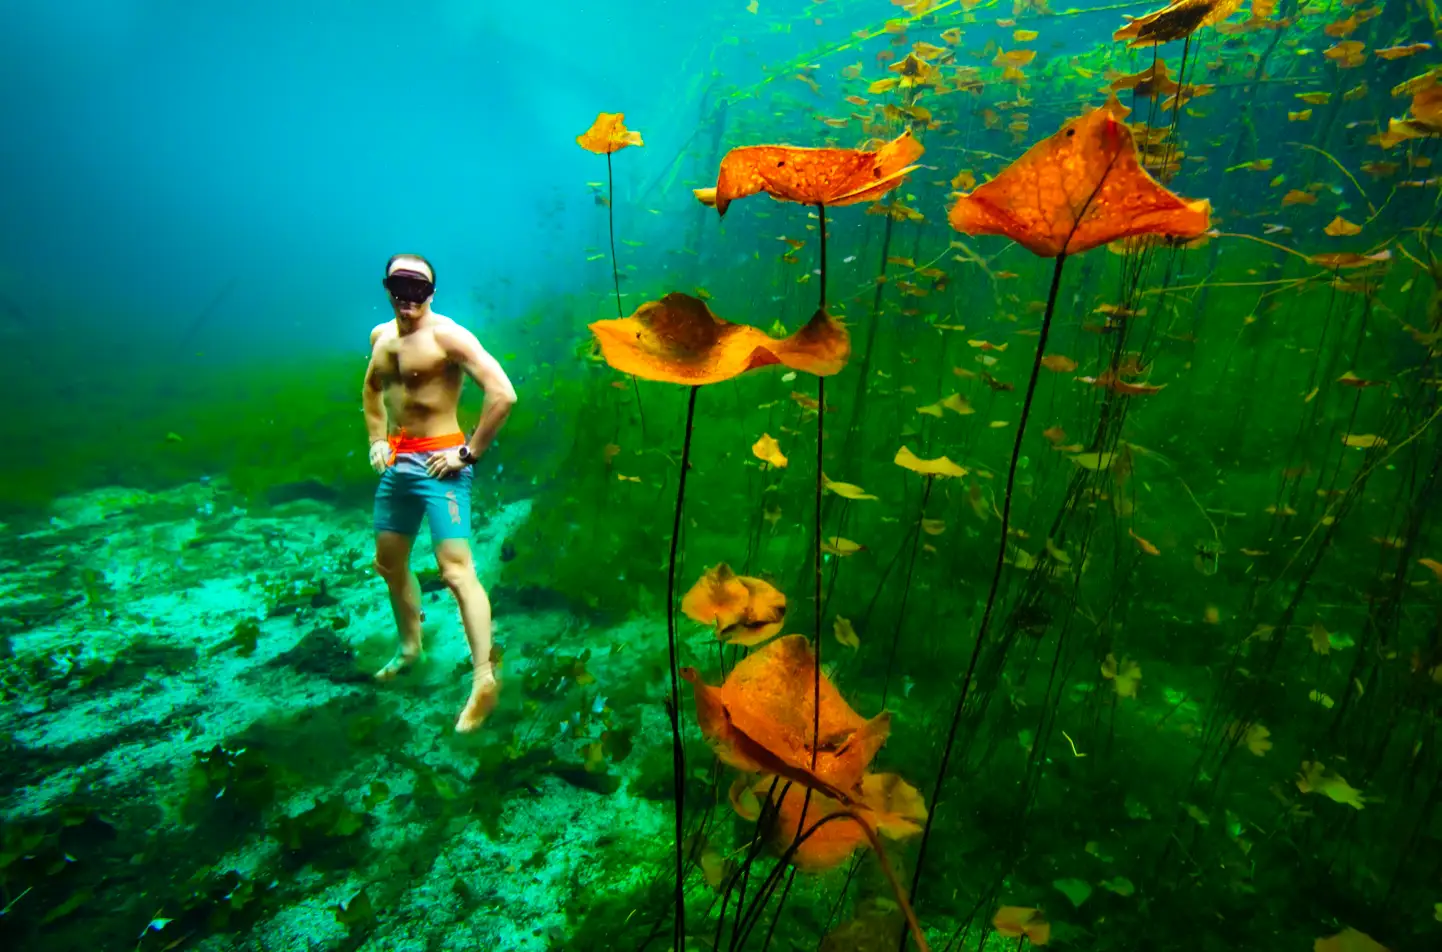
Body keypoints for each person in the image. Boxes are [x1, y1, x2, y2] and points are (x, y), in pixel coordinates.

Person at [362, 253, 517, 732]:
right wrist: (376, 440)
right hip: (399, 462)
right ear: (387, 288)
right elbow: (371, 388)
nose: (408, 298)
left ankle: (485, 679)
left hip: (441, 466)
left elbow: (503, 393)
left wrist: (467, 453)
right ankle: (411, 648)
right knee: (388, 563)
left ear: (432, 293)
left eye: (418, 289)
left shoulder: (448, 335)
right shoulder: (380, 337)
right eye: (399, 286)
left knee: (456, 572)